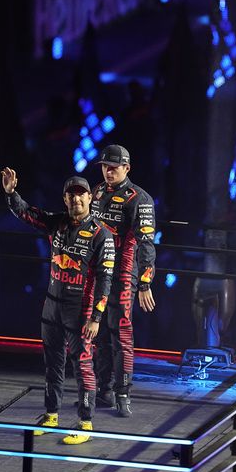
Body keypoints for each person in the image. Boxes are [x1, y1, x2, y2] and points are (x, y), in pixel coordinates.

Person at [2, 167, 115, 445]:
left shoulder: (102, 235)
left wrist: (96, 317)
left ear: (90, 198)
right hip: (51, 306)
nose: (76, 200)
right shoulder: (57, 222)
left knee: (83, 365)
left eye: (81, 195)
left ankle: (85, 422)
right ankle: (51, 414)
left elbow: (105, 280)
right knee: (52, 363)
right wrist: (11, 193)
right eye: (71, 196)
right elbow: (27, 213)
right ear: (65, 199)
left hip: (81, 310)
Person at [90, 144, 157, 417]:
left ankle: (123, 394)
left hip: (123, 277)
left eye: (114, 167)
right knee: (99, 336)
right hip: (96, 275)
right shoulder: (96, 192)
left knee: (121, 336)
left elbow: (147, 243)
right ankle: (102, 391)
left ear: (127, 168)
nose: (109, 171)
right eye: (105, 166)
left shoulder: (139, 198)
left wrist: (144, 282)